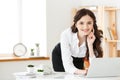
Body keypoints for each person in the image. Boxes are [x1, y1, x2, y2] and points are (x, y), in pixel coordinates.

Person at [60, 8, 103, 75]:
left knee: (78, 76)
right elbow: (68, 66)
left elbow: (95, 66)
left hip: (79, 58)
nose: (85, 27)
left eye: (89, 23)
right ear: (76, 24)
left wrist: (90, 45)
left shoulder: (97, 38)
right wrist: (85, 72)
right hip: (61, 55)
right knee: (64, 76)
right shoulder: (66, 34)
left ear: (93, 24)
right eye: (81, 23)